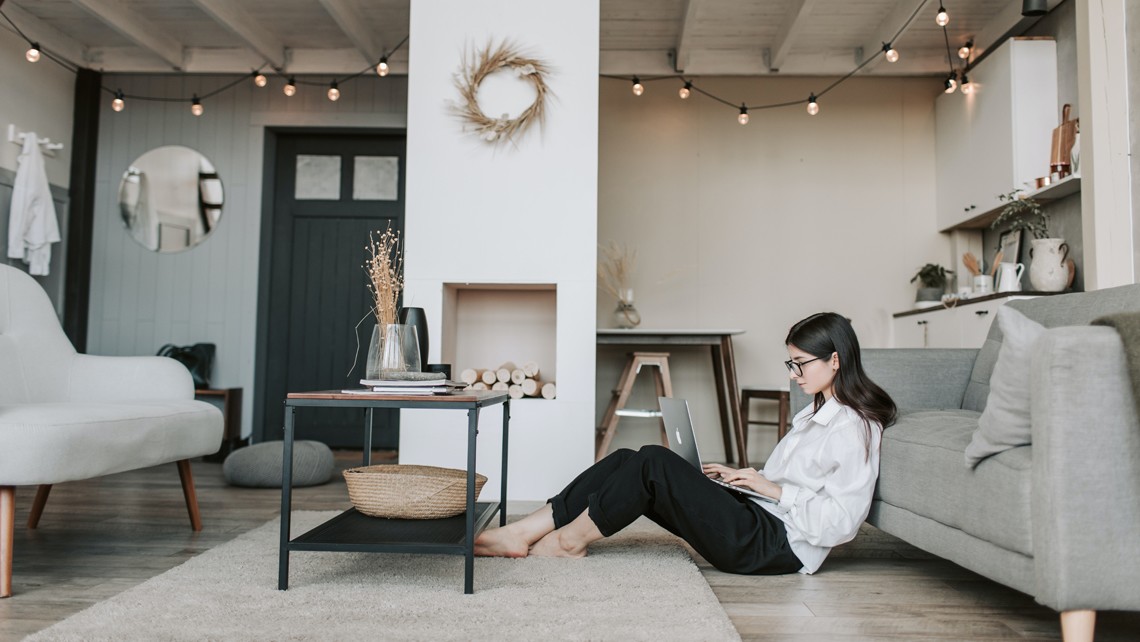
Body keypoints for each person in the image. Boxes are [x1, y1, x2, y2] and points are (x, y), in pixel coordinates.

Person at [475, 312, 897, 575]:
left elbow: (842, 524)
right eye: (791, 363)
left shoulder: (854, 428)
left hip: (775, 547)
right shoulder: (814, 414)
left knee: (654, 463)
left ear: (835, 360)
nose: (793, 374)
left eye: (800, 363)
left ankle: (569, 543)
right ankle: (525, 530)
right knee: (628, 458)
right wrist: (745, 479)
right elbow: (790, 484)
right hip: (758, 518)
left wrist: (770, 489)